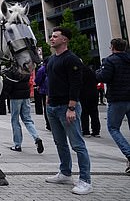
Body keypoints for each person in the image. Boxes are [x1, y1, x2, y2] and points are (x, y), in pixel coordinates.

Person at [44, 27, 92, 195]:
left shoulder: (72, 59)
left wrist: (71, 107)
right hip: (53, 107)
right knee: (60, 143)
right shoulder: (51, 59)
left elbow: (76, 84)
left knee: (77, 144)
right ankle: (65, 173)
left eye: (55, 36)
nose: (52, 39)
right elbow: (51, 81)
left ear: (64, 40)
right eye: (52, 36)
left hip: (67, 107)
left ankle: (85, 180)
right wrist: (48, 99)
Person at [95, 38, 130, 174]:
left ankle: (128, 153)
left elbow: (104, 77)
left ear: (113, 47)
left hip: (117, 98)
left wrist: (97, 73)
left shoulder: (110, 60)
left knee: (113, 128)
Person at [3, 68, 44, 153]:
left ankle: (17, 144)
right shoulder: (26, 72)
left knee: (15, 120)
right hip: (26, 96)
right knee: (28, 119)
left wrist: (5, 94)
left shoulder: (11, 72)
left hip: (15, 97)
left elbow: (8, 86)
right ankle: (36, 137)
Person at [80, 65, 100, 138]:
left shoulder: (79, 72)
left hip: (83, 94)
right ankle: (96, 131)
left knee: (84, 113)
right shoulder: (91, 71)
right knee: (94, 112)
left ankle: (86, 131)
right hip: (94, 93)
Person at [35, 59, 51, 130]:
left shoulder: (42, 69)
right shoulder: (52, 67)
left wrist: (38, 85)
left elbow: (37, 79)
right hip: (52, 90)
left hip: (44, 90)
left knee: (46, 107)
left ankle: (48, 124)